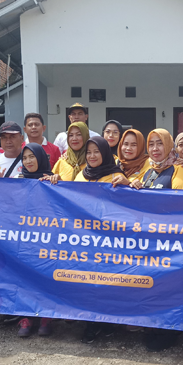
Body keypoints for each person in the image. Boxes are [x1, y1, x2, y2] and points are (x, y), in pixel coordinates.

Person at [128, 129, 183, 351]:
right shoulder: (148, 172)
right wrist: (132, 184)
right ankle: (153, 326)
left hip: (170, 242)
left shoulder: (178, 170)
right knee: (152, 284)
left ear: (168, 146)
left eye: (159, 144)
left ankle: (169, 331)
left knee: (168, 285)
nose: (155, 149)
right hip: (149, 242)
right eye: (151, 144)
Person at [72, 136, 122, 343]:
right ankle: (91, 325)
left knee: (106, 284)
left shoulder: (116, 176)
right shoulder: (80, 176)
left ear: (105, 153)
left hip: (108, 242)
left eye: (97, 152)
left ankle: (107, 323)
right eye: (89, 152)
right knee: (87, 283)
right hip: (84, 241)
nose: (92, 156)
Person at [12, 143, 58, 338]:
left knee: (46, 274)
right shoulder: (17, 180)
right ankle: (26, 317)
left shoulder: (52, 179)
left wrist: (58, 181)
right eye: (25, 158)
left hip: (47, 237)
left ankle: (46, 317)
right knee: (24, 276)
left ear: (41, 157)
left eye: (32, 157)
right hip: (24, 237)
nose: (28, 161)